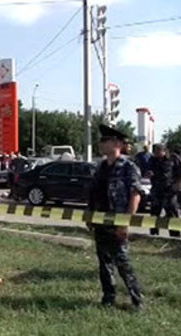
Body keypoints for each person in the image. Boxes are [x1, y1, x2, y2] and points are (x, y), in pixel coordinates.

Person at [89, 124, 144, 309]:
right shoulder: (100, 167)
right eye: (101, 140)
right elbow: (94, 193)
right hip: (100, 222)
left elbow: (135, 195)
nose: (101, 143)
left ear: (117, 143)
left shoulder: (129, 167)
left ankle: (137, 300)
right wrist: (90, 218)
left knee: (123, 263)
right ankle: (108, 298)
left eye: (105, 140)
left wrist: (125, 223)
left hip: (117, 222)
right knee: (104, 264)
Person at [147, 143, 181, 237]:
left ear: (164, 151)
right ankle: (153, 235)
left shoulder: (173, 158)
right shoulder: (152, 160)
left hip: (170, 190)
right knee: (154, 214)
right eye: (154, 152)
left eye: (158, 151)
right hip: (156, 190)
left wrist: (178, 184)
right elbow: (148, 170)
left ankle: (175, 236)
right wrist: (149, 173)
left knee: (172, 214)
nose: (156, 154)